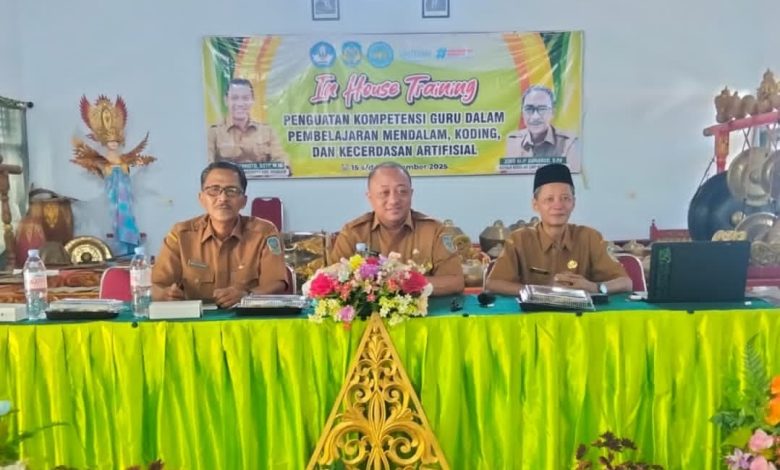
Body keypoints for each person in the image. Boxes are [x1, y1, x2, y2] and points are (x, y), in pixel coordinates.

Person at [152, 161, 288, 307]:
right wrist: (165, 295)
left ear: (244, 201)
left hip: (246, 317)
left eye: (232, 190)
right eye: (214, 190)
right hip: (196, 319)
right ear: (201, 198)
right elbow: (157, 285)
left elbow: (275, 283)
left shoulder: (264, 233)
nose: (222, 198)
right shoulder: (181, 235)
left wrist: (247, 296)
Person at [486, 163, 631, 296]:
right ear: (535, 205)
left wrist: (594, 287)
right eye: (549, 199)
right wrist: (543, 291)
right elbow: (493, 284)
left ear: (573, 203)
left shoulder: (590, 237)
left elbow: (626, 282)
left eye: (565, 198)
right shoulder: (519, 240)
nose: (558, 206)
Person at [330, 162, 464, 296]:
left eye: (402, 191)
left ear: (411, 194)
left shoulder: (434, 231)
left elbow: (455, 282)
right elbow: (332, 282)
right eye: (384, 193)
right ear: (370, 198)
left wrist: (403, 282)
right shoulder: (353, 233)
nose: (394, 200)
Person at [71, 95, 156, 254]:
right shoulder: (104, 160)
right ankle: (122, 245)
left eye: (116, 141)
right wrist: (112, 171)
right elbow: (105, 174)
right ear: (105, 142)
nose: (113, 144)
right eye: (110, 142)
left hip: (125, 193)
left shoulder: (123, 159)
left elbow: (128, 171)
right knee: (116, 215)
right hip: (114, 192)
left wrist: (124, 169)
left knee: (127, 215)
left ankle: (130, 243)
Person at [207, 78, 290, 166]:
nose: (240, 104)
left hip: (261, 175)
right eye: (234, 98)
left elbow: (281, 160)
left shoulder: (267, 131)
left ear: (252, 100)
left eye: (245, 98)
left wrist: (281, 166)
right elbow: (207, 164)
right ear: (226, 100)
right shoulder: (213, 133)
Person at [505, 85, 578, 161]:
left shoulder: (568, 143)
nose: (535, 117)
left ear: (553, 112)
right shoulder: (513, 141)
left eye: (542, 109)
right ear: (522, 113)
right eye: (529, 109)